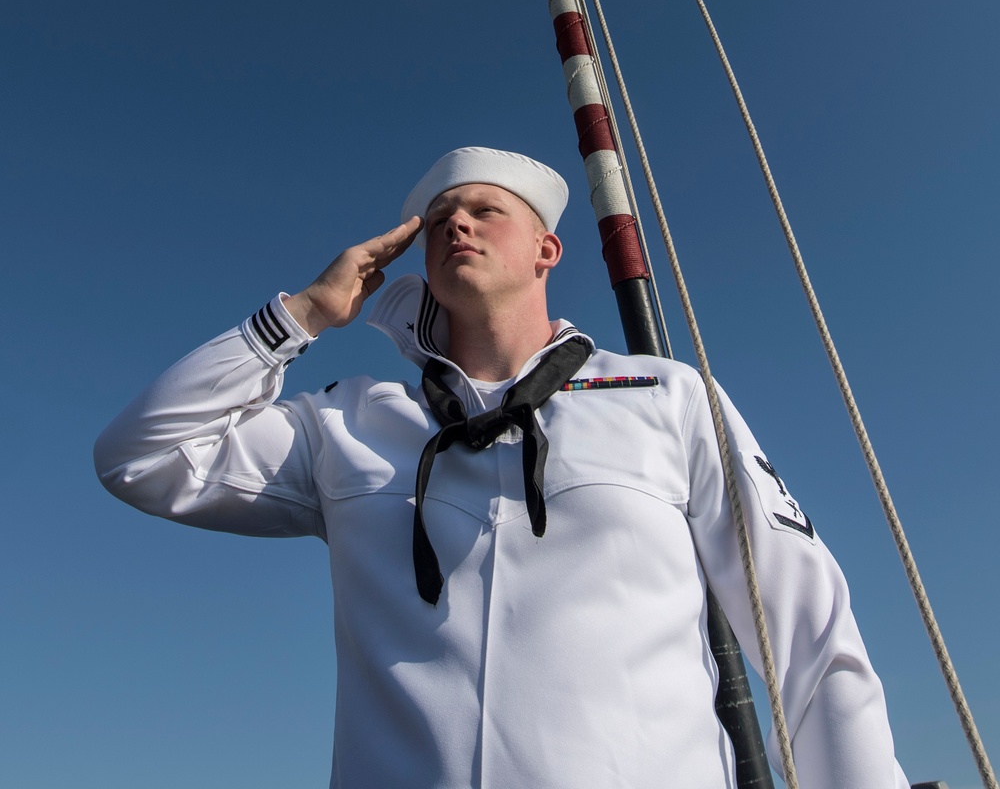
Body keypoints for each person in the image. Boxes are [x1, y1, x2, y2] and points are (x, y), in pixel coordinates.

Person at [95, 146, 909, 789]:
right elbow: (140, 457)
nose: (459, 225)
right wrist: (300, 316)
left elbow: (809, 636)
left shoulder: (668, 397)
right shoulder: (347, 422)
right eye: (443, 216)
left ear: (547, 249)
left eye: (486, 211)